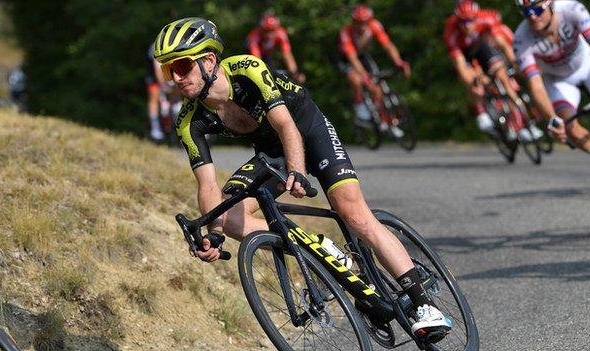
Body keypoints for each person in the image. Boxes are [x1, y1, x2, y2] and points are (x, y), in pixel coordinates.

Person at [153, 17, 452, 339]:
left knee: (352, 211)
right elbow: (207, 185)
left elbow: (286, 126)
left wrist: (296, 170)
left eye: (182, 66)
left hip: (307, 129)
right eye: (168, 70)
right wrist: (214, 234)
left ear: (209, 60)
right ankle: (319, 246)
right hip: (272, 151)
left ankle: (424, 305)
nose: (176, 78)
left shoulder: (246, 70)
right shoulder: (188, 120)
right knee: (228, 216)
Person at [513, 0, 590, 186]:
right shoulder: (521, 39)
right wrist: (551, 118)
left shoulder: (571, 9)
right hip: (558, 80)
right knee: (568, 125)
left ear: (550, 4)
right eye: (526, 12)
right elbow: (536, 84)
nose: (532, 16)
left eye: (537, 9)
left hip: (587, 64)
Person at [444, 0, 543, 140]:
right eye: (463, 21)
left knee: (503, 76)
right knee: (475, 86)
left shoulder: (487, 20)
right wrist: (475, 80)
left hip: (481, 49)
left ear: (477, 17)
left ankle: (523, 121)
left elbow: (504, 45)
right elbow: (461, 67)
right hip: (463, 53)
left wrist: (517, 64)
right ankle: (481, 112)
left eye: (471, 20)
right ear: (457, 20)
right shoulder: (451, 32)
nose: (467, 25)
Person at [337, 4, 411, 137]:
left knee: (377, 88)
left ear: (370, 21)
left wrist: (398, 61)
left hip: (363, 57)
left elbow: (388, 46)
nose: (361, 26)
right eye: (358, 23)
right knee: (356, 80)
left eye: (365, 22)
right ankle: (359, 108)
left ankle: (386, 120)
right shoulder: (346, 32)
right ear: (354, 22)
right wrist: (363, 75)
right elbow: (352, 58)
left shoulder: (375, 26)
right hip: (347, 58)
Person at [246, 12, 305, 83]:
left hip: (267, 54)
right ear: (261, 29)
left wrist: (295, 73)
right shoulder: (254, 36)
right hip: (251, 55)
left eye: (272, 31)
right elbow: (256, 58)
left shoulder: (281, 33)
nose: (269, 35)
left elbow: (287, 54)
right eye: (267, 31)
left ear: (277, 29)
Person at [146, 42, 167, 142]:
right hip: (154, 78)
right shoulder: (155, 46)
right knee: (154, 98)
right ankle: (155, 129)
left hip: (169, 73)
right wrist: (163, 86)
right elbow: (157, 70)